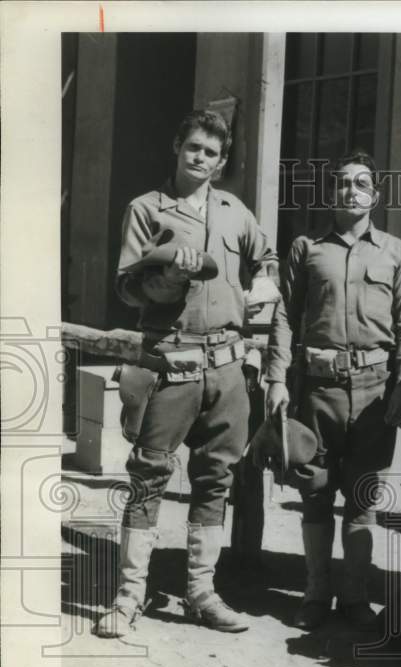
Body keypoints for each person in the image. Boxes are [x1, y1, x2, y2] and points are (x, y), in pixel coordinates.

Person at [95, 109, 281, 637]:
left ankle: (201, 591)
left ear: (221, 163)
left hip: (226, 366)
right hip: (171, 360)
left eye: (211, 153)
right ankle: (129, 596)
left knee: (215, 480)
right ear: (178, 148)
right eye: (193, 147)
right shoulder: (146, 209)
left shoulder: (234, 211)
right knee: (149, 476)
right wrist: (169, 280)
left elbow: (266, 256)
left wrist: (264, 282)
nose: (200, 158)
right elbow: (128, 288)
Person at [265, 151, 401, 629]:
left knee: (363, 496)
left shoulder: (395, 251)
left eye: (360, 184)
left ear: (374, 195)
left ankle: (354, 597)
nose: (350, 191)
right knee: (314, 493)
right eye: (341, 183)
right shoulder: (307, 248)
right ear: (331, 194)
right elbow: (285, 318)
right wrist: (276, 379)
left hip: (375, 392)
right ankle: (316, 594)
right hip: (318, 388)